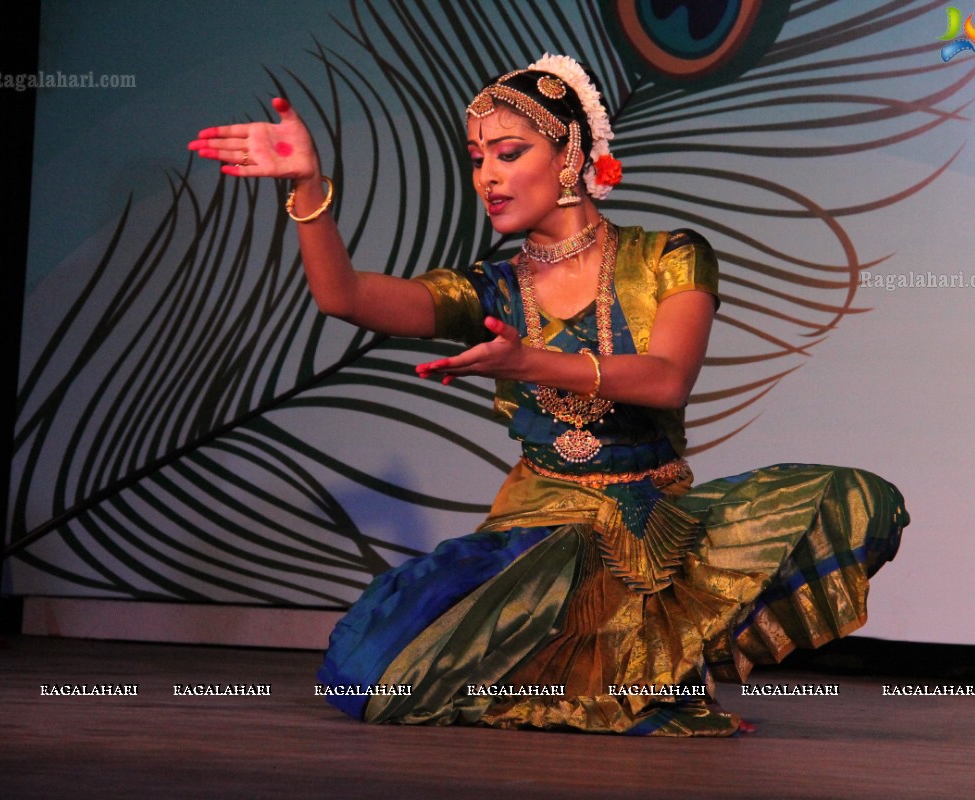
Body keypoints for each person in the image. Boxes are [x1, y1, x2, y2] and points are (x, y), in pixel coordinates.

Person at [190, 54, 908, 736]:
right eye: (477, 159)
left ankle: (641, 675)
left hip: (654, 510)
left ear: (569, 156)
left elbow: (666, 378)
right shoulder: (492, 288)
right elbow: (345, 297)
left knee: (855, 500)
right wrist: (309, 189)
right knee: (373, 676)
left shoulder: (670, 257)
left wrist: (529, 358)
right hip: (543, 522)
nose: (486, 177)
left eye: (508, 153)